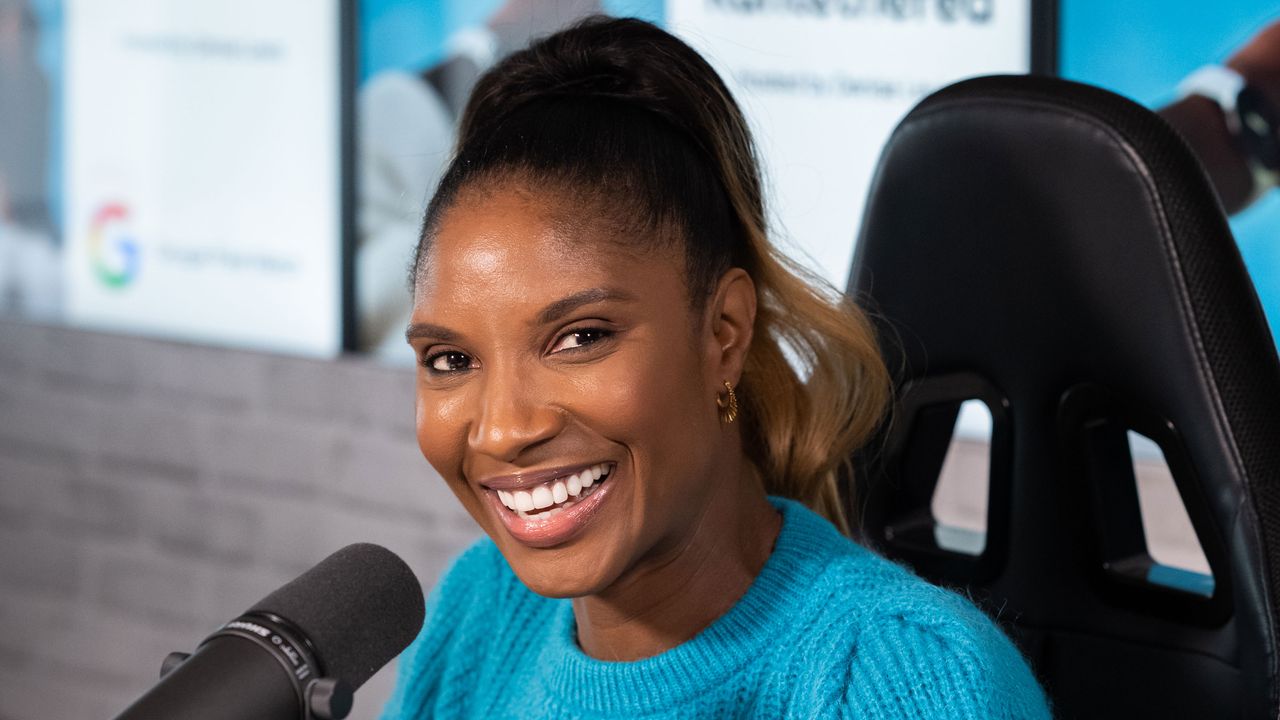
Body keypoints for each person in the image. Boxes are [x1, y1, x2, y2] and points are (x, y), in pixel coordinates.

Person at [382, 16, 1051, 719]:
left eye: (580, 338)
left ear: (723, 336)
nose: (501, 431)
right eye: (450, 358)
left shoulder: (910, 681)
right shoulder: (483, 610)